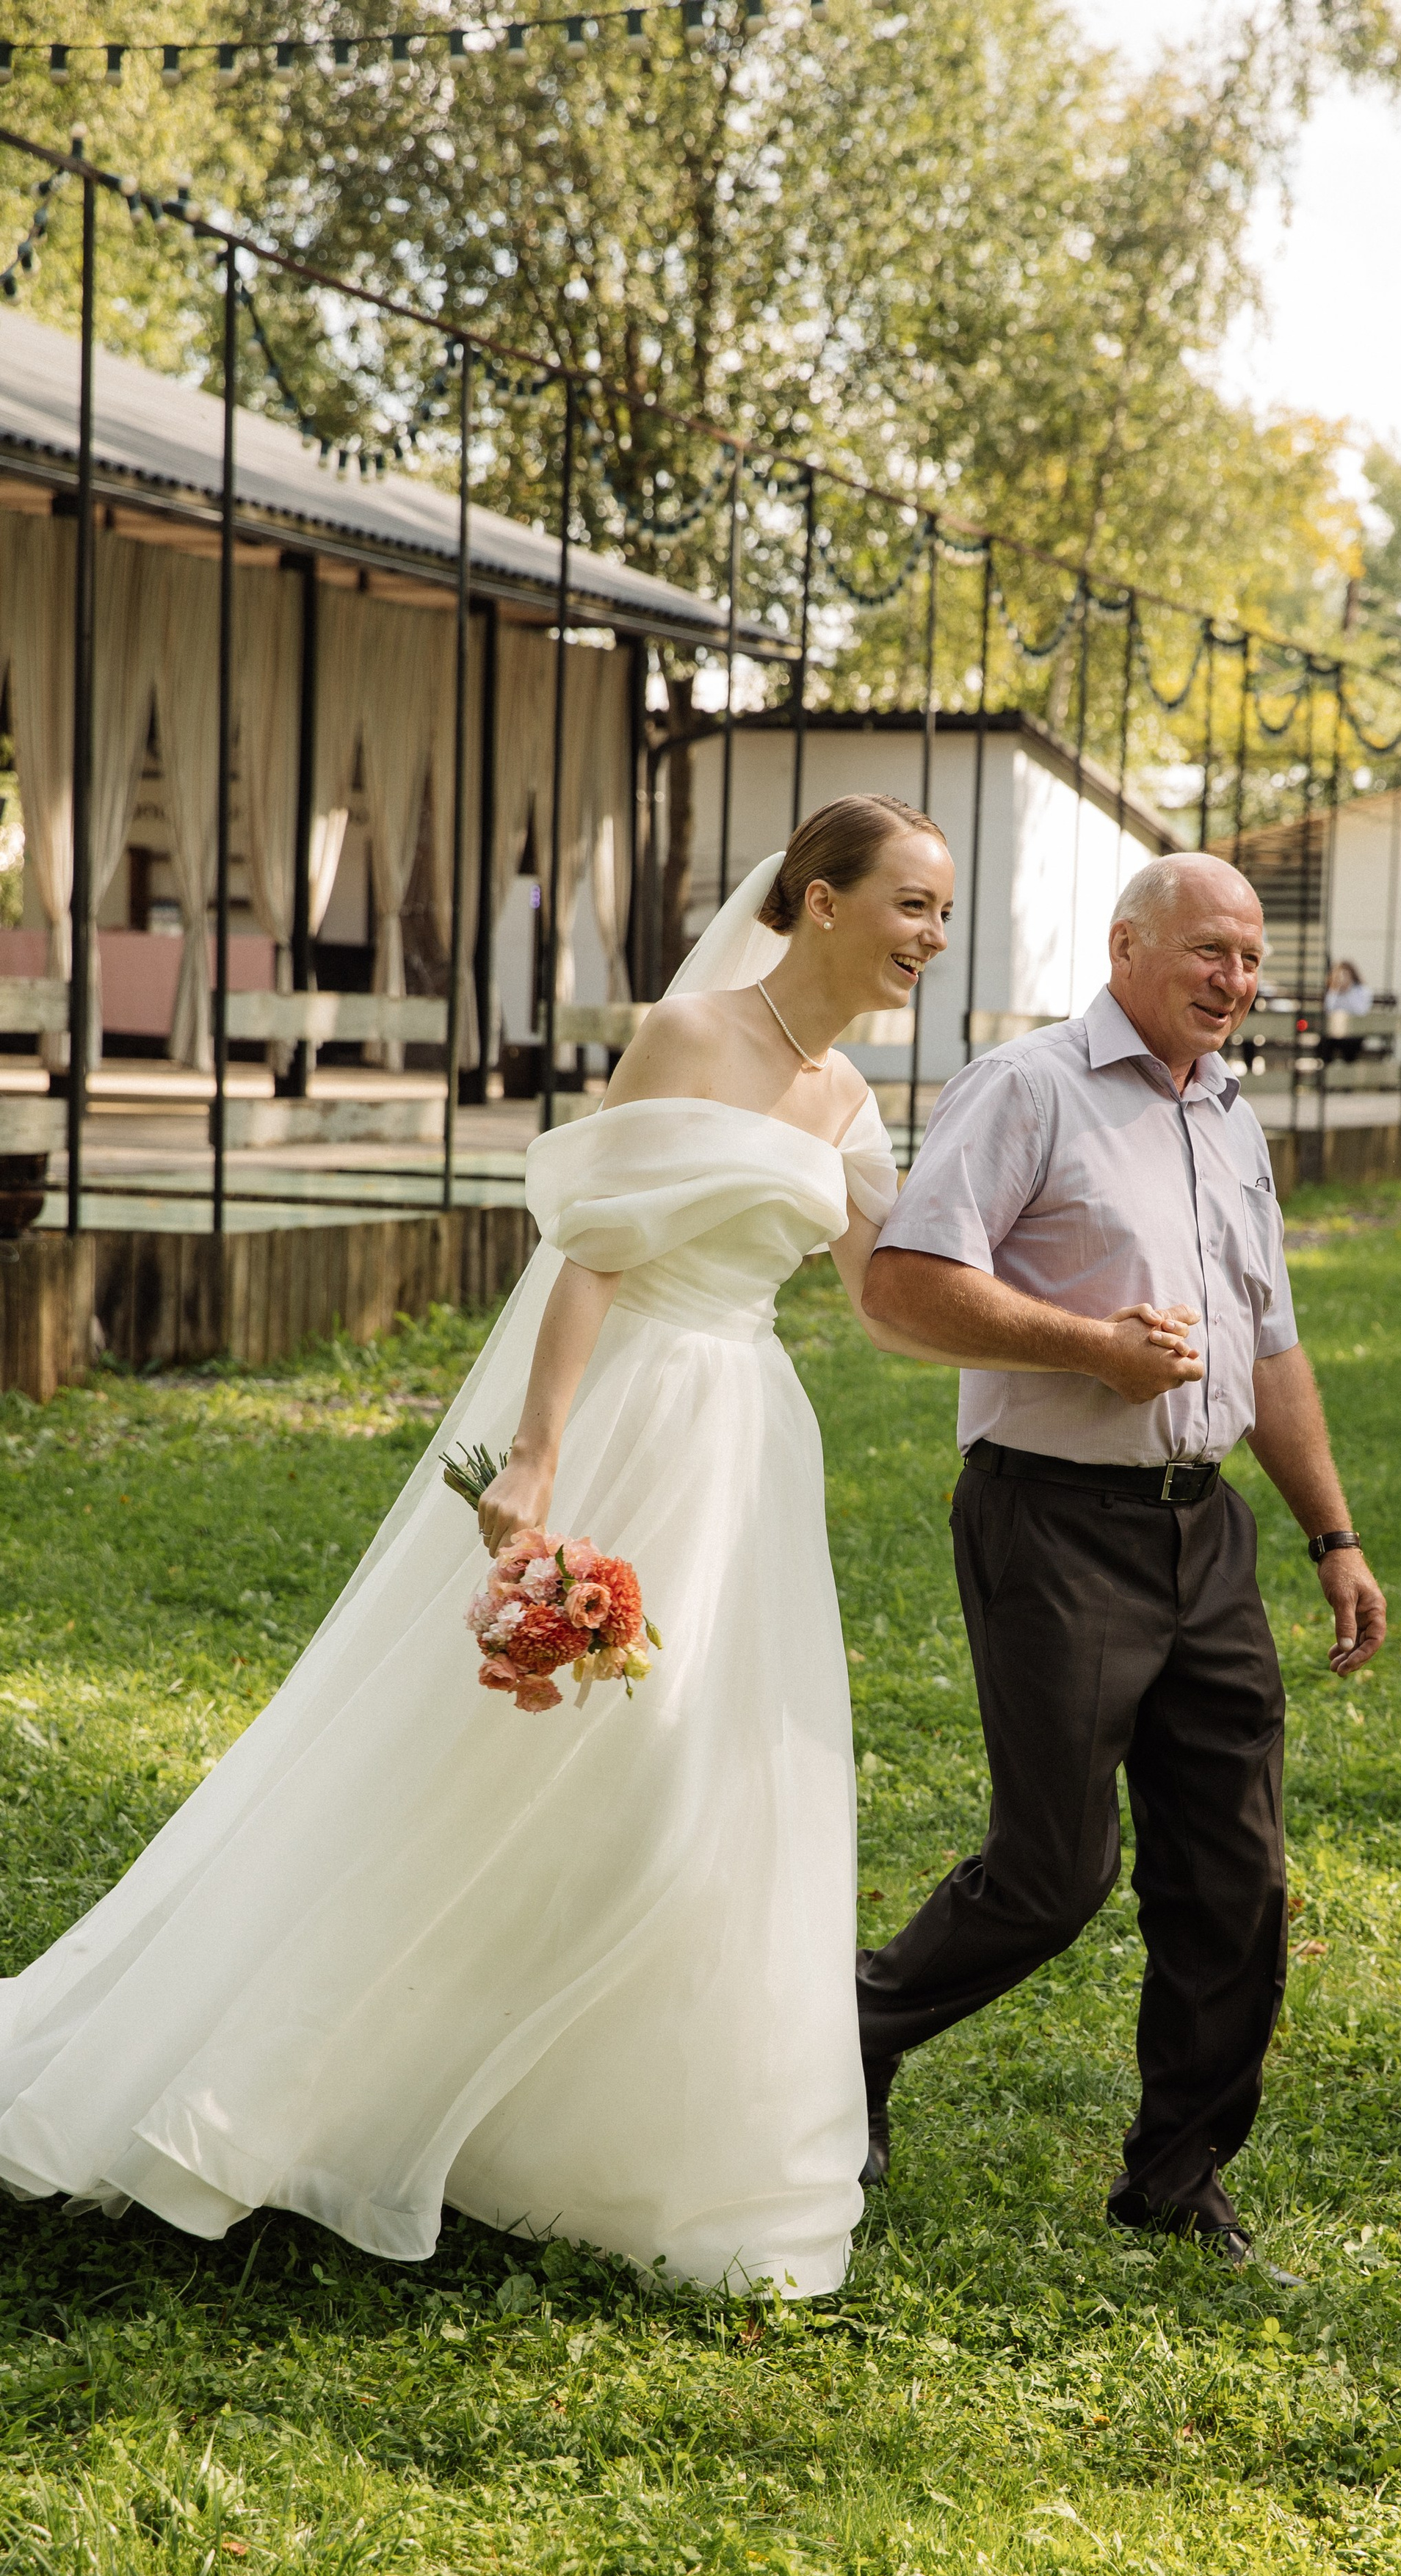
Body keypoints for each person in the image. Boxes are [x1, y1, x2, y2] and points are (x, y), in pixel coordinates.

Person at [0, 797, 1198, 2298]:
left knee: (699, 1770)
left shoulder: (847, 1096)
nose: (930, 938)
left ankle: (604, 2132)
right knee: (509, 1757)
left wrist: (1092, 1340)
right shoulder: (693, 1034)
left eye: (943, 912)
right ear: (814, 900)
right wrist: (544, 1453)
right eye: (907, 904)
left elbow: (895, 1294)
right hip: (635, 1407)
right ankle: (286, 2085)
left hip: (747, 1440)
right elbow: (591, 1248)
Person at [857, 850, 1388, 2275]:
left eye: (1252, 959)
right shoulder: (1027, 1088)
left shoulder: (1229, 1114)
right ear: (1126, 948)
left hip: (1198, 1530)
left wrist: (1327, 1534)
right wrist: (1092, 1345)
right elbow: (905, 1279)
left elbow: (1267, 1346)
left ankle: (1175, 2173)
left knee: (1232, 1868)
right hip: (1050, 1518)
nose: (1235, 981)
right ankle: (849, 2038)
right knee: (1053, 1870)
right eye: (1208, 952)